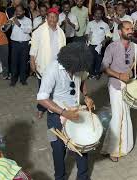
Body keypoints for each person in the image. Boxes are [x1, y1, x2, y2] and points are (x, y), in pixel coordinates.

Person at [37, 42, 94, 180]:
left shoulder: (79, 65)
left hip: (76, 112)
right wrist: (63, 112)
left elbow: (83, 80)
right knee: (58, 150)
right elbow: (41, 99)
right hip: (55, 117)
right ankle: (60, 177)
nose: (78, 71)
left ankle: (83, 177)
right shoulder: (52, 69)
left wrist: (86, 96)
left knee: (82, 146)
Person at [101, 21, 137, 162]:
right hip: (115, 85)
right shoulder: (111, 47)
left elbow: (135, 64)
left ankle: (121, 146)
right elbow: (104, 67)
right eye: (127, 29)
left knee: (126, 115)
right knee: (118, 116)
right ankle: (113, 149)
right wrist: (119, 75)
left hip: (129, 85)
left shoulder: (136, 47)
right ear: (120, 32)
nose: (130, 31)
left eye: (131, 28)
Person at [30, 7, 66, 118]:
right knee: (43, 89)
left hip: (57, 65)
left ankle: (56, 108)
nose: (52, 19)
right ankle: (41, 109)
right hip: (44, 65)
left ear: (57, 18)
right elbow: (34, 48)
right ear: (47, 17)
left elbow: (64, 49)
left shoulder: (61, 32)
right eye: (50, 16)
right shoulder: (39, 31)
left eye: (54, 17)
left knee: (56, 88)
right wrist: (32, 61)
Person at [8, 4, 32, 86]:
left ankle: (23, 79)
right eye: (17, 11)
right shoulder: (12, 19)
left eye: (20, 11)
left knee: (23, 62)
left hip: (25, 44)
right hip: (14, 43)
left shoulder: (28, 20)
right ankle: (13, 80)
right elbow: (4, 29)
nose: (18, 13)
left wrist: (19, 24)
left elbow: (28, 30)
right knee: (14, 62)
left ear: (24, 12)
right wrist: (9, 23)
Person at [85, 7, 111, 80]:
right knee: (90, 60)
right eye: (96, 13)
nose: (98, 15)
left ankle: (97, 74)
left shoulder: (105, 24)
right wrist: (87, 37)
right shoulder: (90, 23)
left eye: (100, 13)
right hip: (90, 45)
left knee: (98, 60)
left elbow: (109, 35)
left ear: (102, 14)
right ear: (94, 14)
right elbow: (86, 33)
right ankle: (91, 73)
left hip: (99, 46)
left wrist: (105, 40)